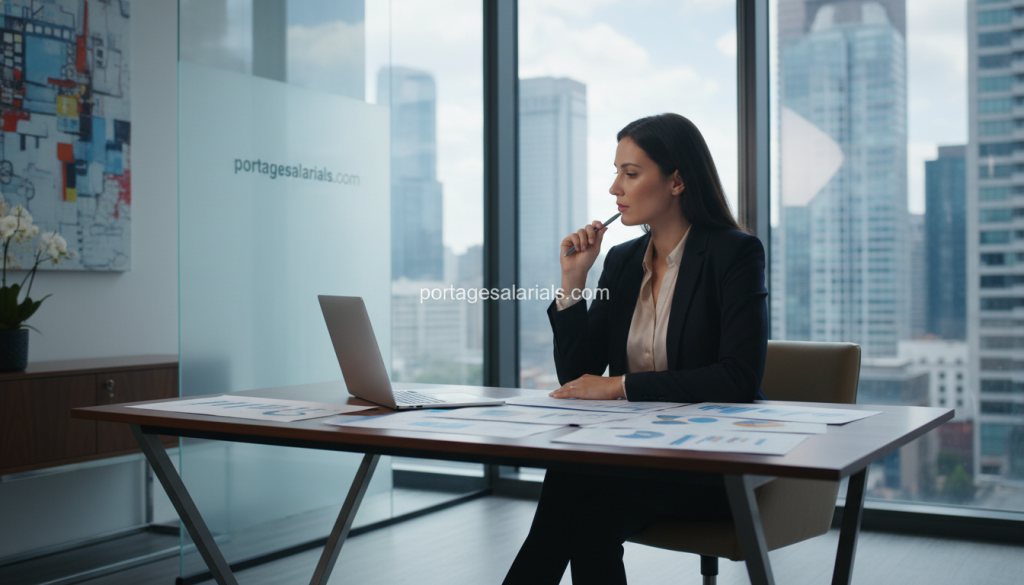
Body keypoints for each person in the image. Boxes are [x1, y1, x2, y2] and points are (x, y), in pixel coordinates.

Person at [503, 113, 768, 585]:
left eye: (630, 174)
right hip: (635, 459)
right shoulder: (623, 261)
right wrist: (573, 282)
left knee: (574, 485)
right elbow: (581, 376)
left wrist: (621, 386)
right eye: (616, 172)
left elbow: (738, 379)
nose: (614, 189)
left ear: (677, 181)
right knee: (586, 511)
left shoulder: (735, 253)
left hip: (712, 464)